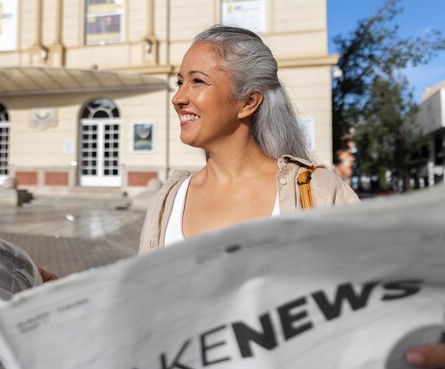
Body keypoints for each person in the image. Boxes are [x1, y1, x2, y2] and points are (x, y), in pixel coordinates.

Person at [137, 24, 445, 367]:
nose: (178, 97)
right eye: (180, 81)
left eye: (197, 81)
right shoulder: (168, 199)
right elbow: (142, 316)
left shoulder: (318, 191)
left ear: (249, 101)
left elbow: (386, 302)